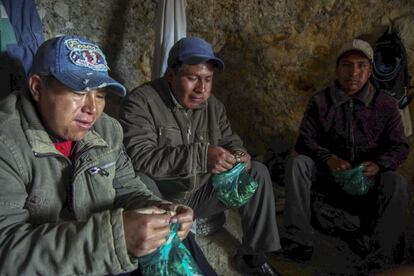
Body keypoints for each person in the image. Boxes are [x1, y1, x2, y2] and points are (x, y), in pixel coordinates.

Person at [0, 35, 194, 275]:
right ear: (38, 88)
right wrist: (113, 240)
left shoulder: (107, 130)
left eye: (100, 95)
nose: (92, 108)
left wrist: (160, 210)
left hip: (97, 257)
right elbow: (6, 251)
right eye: (78, 91)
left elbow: (126, 187)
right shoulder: (6, 144)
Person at [119, 37, 282, 276]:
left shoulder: (213, 106)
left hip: (199, 195)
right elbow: (138, 157)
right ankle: (162, 252)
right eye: (192, 78)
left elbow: (230, 140)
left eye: (207, 79)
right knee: (142, 178)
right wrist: (201, 156)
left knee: (257, 171)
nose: (201, 89)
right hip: (163, 197)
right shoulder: (142, 102)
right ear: (171, 75)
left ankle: (254, 255)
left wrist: (239, 155)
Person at [282, 39, 409, 268]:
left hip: (368, 184)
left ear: (370, 70)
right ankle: (298, 239)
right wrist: (328, 158)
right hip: (328, 180)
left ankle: (384, 256)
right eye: (347, 65)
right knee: (298, 163)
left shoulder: (386, 106)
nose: (354, 73)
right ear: (337, 69)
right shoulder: (320, 102)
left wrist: (379, 164)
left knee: (396, 182)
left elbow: (400, 147)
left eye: (361, 66)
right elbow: (304, 141)